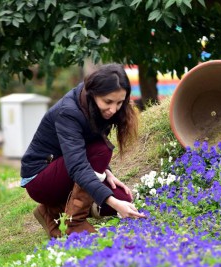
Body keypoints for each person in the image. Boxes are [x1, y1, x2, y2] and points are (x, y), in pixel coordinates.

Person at [20, 63, 146, 238]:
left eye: (120, 102)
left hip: (63, 169)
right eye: (108, 102)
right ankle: (74, 222)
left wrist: (107, 172)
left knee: (123, 199)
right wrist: (113, 201)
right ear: (93, 93)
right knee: (103, 155)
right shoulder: (69, 112)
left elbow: (87, 146)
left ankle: (51, 211)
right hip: (40, 179)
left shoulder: (95, 107)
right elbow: (78, 165)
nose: (114, 109)